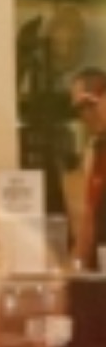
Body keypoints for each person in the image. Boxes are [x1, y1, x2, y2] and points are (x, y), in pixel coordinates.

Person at [69, 66, 106, 268]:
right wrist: (75, 266)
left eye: (90, 105)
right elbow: (89, 215)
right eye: (80, 109)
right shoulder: (96, 150)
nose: (86, 115)